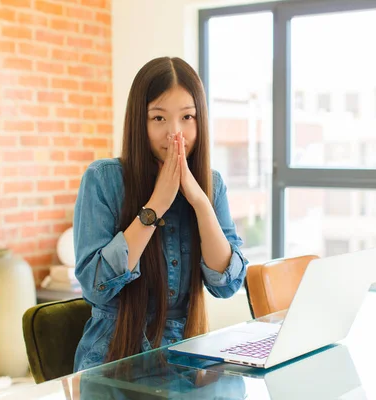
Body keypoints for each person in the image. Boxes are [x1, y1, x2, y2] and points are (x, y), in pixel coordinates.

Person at [72, 56, 248, 372]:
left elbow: (227, 285)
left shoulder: (213, 183)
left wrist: (200, 202)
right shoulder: (102, 179)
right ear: (140, 121)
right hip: (114, 359)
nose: (175, 133)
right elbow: (94, 285)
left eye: (187, 117)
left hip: (187, 358)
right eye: (159, 118)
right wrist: (155, 207)